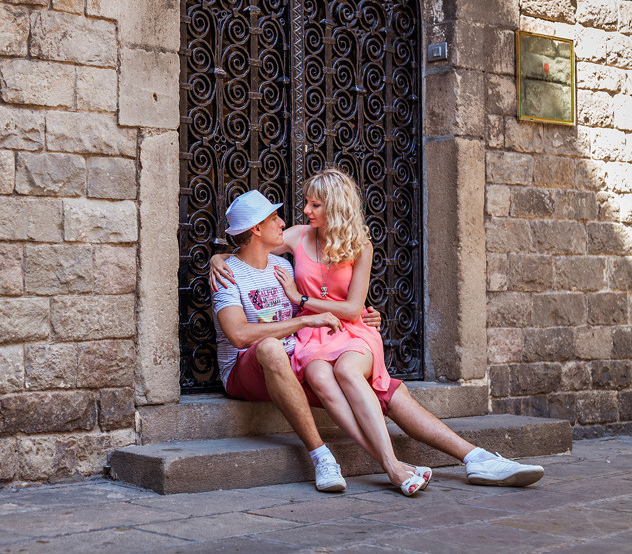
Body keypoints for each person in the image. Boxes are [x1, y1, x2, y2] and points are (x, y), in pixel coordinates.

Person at [211, 181, 544, 492]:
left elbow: (319, 298)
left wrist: (361, 314)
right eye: (274, 218)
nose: (285, 221)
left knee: (383, 392)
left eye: (312, 205)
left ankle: (476, 458)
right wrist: (217, 257)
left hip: (301, 350)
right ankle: (348, 460)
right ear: (256, 228)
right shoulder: (231, 273)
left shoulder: (282, 267)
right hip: (266, 361)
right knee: (287, 356)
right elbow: (241, 333)